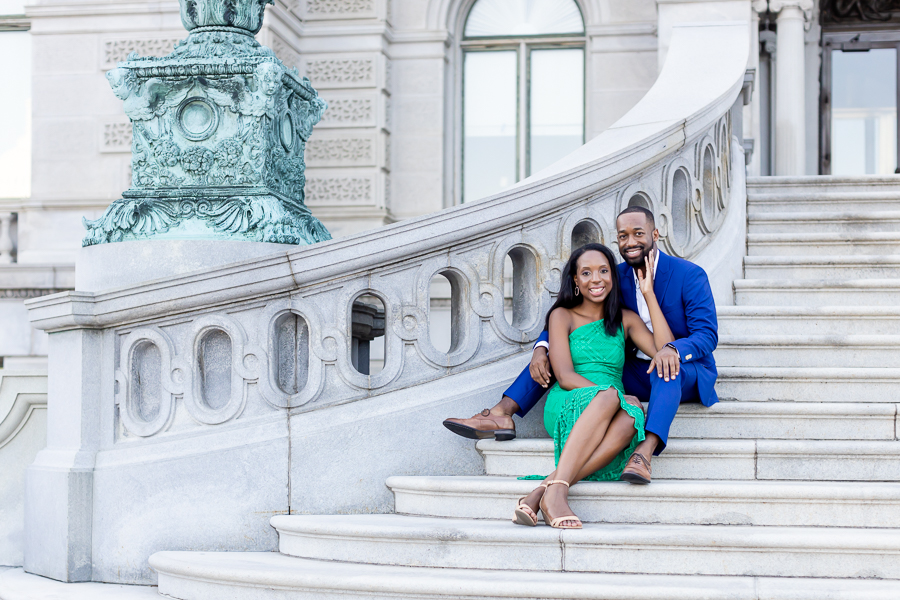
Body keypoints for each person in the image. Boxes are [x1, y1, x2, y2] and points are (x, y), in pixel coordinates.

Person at [443, 206, 719, 485]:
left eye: (638, 234)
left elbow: (707, 335)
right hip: (634, 370)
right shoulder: (614, 274)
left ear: (655, 234)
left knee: (665, 366)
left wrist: (671, 347)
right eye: (623, 236)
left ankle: (645, 451)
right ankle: (503, 412)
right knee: (568, 354)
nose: (631, 242)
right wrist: (542, 347)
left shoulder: (689, 275)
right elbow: (574, 316)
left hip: (685, 370)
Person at [509, 242, 675, 529]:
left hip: (610, 407)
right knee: (616, 399)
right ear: (575, 280)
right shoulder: (562, 315)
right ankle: (556, 494)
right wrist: (611, 396)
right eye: (586, 273)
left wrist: (647, 293)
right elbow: (563, 375)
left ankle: (544, 491)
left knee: (631, 419)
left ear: (612, 276)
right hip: (569, 399)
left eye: (603, 271)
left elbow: (664, 348)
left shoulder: (626, 320)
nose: (596, 279)